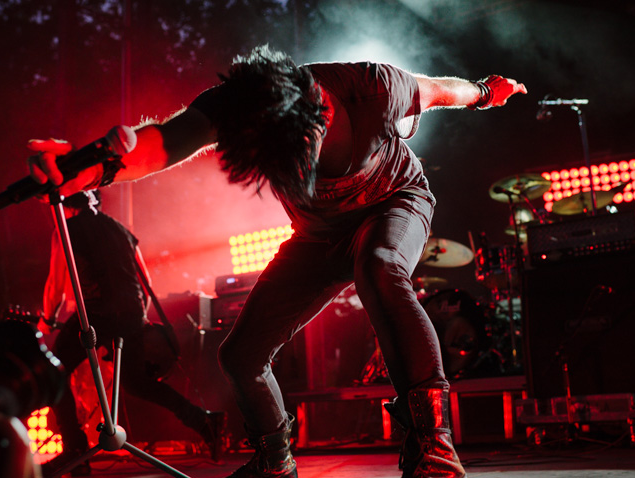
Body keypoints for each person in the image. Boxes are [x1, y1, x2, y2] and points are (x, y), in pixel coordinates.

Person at [28, 45, 527, 478]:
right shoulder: (238, 104)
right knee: (240, 356)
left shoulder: (375, 87)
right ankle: (274, 462)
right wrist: (87, 166)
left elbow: (442, 90)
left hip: (394, 203)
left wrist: (487, 90)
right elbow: (161, 143)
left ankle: (434, 451)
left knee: (378, 267)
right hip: (316, 237)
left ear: (323, 112)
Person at [37, 190, 225, 477]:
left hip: (97, 314)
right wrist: (136, 321)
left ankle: (75, 449)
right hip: (131, 313)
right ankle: (203, 421)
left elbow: (55, 286)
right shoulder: (120, 229)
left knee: (55, 372)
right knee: (137, 383)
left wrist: (45, 321)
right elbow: (145, 281)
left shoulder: (66, 228)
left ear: (64, 205)